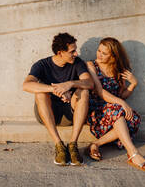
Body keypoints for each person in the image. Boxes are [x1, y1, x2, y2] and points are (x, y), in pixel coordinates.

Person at [85, 37, 145, 172]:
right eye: (99, 50)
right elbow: (100, 91)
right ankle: (133, 154)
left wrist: (133, 84)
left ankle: (95, 144)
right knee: (118, 110)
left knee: (133, 118)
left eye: (104, 53)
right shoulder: (91, 65)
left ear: (113, 56)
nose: (99, 54)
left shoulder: (119, 69)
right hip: (97, 111)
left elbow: (121, 95)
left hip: (115, 110)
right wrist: (122, 103)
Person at [23, 33, 94, 166]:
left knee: (83, 91)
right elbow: (26, 85)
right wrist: (56, 90)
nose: (76, 53)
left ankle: (73, 145)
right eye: (72, 51)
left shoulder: (77, 63)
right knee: (40, 93)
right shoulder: (42, 64)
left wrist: (70, 84)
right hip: (49, 114)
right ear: (60, 52)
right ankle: (59, 145)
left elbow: (90, 83)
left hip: (70, 113)